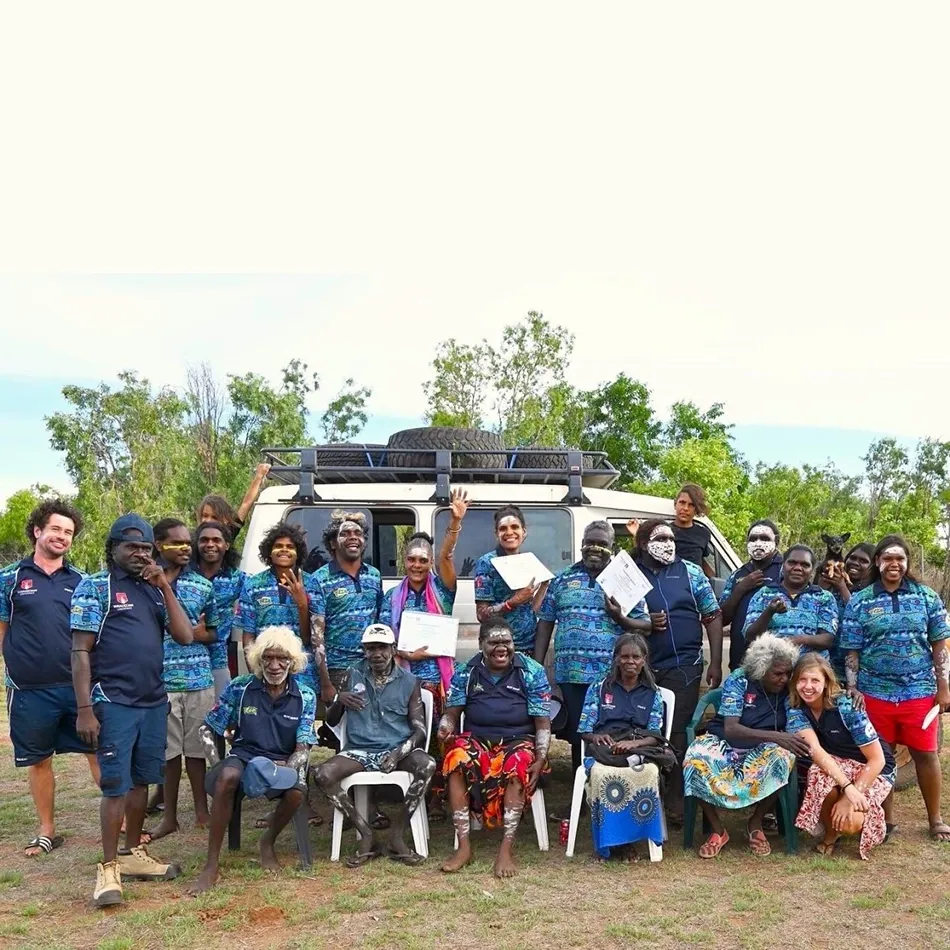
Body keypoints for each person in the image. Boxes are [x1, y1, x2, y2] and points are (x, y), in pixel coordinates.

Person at [70, 514, 195, 908]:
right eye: (132, 547)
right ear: (113, 549)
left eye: (145, 547)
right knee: (116, 786)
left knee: (143, 781)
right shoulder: (96, 587)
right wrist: (85, 709)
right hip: (113, 701)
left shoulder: (153, 588)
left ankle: (132, 854)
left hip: (153, 701)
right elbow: (79, 652)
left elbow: (185, 635)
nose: (141, 554)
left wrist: (164, 586)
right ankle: (108, 869)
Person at [0, 500, 99, 858]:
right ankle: (46, 830)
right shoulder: (9, 579)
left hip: (79, 689)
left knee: (97, 752)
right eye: (56, 529)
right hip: (29, 691)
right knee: (39, 759)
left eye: (69, 532)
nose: (62, 537)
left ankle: (119, 823)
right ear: (38, 531)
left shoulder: (84, 582)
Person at [187, 625, 316, 895]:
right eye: (268, 658)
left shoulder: (305, 694)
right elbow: (207, 728)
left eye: (282, 658)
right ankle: (211, 863)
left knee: (296, 793)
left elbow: (303, 745)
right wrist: (216, 763)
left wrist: (288, 769)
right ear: (258, 659)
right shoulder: (240, 687)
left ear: (293, 662)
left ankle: (267, 843)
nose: (275, 665)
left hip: (281, 761)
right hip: (244, 756)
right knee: (227, 778)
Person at [840, 535, 950, 843]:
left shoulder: (926, 597)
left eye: (900, 558)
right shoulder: (861, 601)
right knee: (882, 758)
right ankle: (885, 819)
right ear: (877, 562)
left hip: (919, 691)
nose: (894, 564)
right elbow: (852, 650)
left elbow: (940, 646)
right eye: (888, 558)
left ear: (907, 563)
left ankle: (935, 819)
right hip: (874, 692)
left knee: (926, 755)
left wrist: (944, 687)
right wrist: (853, 687)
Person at [310, 623, 435, 868]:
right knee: (322, 775)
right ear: (364, 651)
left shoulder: (410, 681)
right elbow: (333, 720)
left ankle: (397, 836)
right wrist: (339, 700)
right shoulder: (351, 674)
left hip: (397, 748)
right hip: (358, 750)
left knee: (427, 764)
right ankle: (366, 834)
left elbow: (420, 730)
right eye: (370, 648)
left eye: (382, 648)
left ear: (393, 649)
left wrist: (399, 753)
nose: (377, 654)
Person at [534, 521, 651, 773]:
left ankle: (610, 785)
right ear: (582, 545)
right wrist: (537, 665)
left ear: (613, 547)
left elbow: (646, 624)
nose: (595, 548)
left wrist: (620, 616)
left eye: (602, 544)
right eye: (590, 542)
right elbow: (545, 622)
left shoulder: (623, 579)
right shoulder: (563, 579)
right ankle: (583, 787)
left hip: (610, 675)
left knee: (609, 730)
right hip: (571, 674)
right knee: (580, 733)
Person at [439, 618, 552, 879]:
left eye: (507, 642)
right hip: (478, 740)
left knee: (519, 762)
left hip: (518, 740)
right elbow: (452, 713)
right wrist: (445, 727)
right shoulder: (467, 671)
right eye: (494, 642)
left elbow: (542, 723)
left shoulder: (531, 671)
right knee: (456, 758)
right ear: (481, 646)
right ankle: (464, 848)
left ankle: (506, 849)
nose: (501, 648)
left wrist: (541, 756)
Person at [380, 487, 470, 813]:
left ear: (430, 563)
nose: (417, 565)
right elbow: (383, 641)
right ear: (404, 561)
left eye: (423, 560)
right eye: (411, 559)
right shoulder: (391, 597)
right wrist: (404, 654)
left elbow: (447, 556)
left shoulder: (442, 590)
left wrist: (455, 523)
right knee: (409, 736)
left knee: (442, 738)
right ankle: (408, 792)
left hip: (438, 681)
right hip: (405, 679)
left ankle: (441, 798)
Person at [630, 519, 723, 823]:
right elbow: (615, 615)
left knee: (678, 732)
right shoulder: (630, 573)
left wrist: (717, 663)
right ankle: (643, 796)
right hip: (640, 668)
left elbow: (712, 616)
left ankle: (676, 802)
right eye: (661, 538)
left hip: (684, 667)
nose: (669, 543)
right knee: (643, 731)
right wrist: (643, 624)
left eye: (672, 538)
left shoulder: (691, 571)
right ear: (644, 543)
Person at [682, 634, 808, 857]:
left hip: (763, 748)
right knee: (694, 758)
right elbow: (731, 729)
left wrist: (784, 739)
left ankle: (756, 822)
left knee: (782, 758)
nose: (784, 678)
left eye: (788, 673)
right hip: (725, 740)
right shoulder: (740, 680)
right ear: (761, 669)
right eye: (778, 673)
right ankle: (718, 830)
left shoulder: (789, 688)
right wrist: (778, 737)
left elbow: (795, 726)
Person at [146, 518, 219, 842]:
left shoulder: (203, 586)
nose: (187, 548)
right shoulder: (144, 584)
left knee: (197, 751)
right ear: (159, 545)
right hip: (159, 680)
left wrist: (194, 633)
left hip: (198, 679)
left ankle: (202, 810)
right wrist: (187, 632)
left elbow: (214, 631)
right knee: (168, 754)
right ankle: (170, 816)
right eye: (178, 543)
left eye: (188, 543)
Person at [787, 653, 895, 859]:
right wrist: (846, 787)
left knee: (850, 824)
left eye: (815, 680)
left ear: (827, 682)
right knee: (818, 770)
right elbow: (816, 750)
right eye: (802, 679)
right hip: (835, 762)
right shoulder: (794, 706)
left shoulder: (847, 705)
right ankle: (830, 831)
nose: (807, 686)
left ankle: (848, 822)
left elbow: (878, 759)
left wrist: (849, 795)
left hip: (872, 764)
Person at [577, 633, 668, 861]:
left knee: (646, 773)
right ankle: (612, 844)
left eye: (635, 657)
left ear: (644, 659)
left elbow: (656, 735)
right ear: (616, 659)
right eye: (624, 656)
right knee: (601, 774)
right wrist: (597, 737)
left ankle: (628, 841)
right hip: (604, 750)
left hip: (637, 751)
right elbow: (584, 729)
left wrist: (632, 744)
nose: (630, 661)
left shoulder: (652, 693)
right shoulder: (599, 688)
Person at [235, 521, 322, 695]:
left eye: (290, 546)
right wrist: (255, 673)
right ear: (269, 551)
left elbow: (308, 638)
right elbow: (249, 635)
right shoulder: (253, 585)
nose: (284, 550)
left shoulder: (311, 583)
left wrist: (302, 603)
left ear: (298, 553)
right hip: (266, 667)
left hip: (301, 672)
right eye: (278, 546)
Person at [312, 510, 383, 698]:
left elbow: (377, 623)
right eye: (345, 534)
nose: (353, 537)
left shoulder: (374, 575)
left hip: (370, 667)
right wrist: (326, 683)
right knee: (338, 726)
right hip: (336, 669)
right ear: (333, 543)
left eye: (358, 533)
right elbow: (316, 634)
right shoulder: (319, 579)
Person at [473, 505, 548, 654]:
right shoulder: (487, 563)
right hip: (500, 648)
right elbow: (481, 615)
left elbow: (530, 610)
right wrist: (513, 602)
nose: (509, 533)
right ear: (496, 534)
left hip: (529, 646)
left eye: (515, 527)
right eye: (503, 529)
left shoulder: (528, 561)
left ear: (524, 531)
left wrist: (544, 585)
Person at [742, 545, 837, 660]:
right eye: (792, 563)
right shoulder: (763, 595)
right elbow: (750, 636)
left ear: (812, 570)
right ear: (783, 565)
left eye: (805, 565)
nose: (797, 568)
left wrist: (799, 640)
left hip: (810, 669)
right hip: (770, 666)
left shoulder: (824, 597)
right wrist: (769, 611)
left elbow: (828, 639)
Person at [719, 520, 784, 670]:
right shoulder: (737, 575)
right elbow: (723, 618)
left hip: (774, 660)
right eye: (753, 539)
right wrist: (741, 588)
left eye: (765, 538)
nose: (758, 543)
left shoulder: (786, 571)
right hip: (741, 658)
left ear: (777, 541)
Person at [194, 520, 246, 699]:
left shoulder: (237, 579)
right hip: (184, 661)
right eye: (204, 540)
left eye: (216, 540)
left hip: (218, 659)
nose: (210, 544)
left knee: (219, 716)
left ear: (227, 545)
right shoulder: (184, 575)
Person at [817, 541, 874, 682]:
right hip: (826, 660)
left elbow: (862, 617)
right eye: (852, 558)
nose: (855, 563)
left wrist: (842, 587)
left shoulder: (872, 593)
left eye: (863, 561)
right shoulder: (832, 579)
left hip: (856, 666)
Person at [195, 461, 271, 539]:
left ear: (225, 520)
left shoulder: (228, 534)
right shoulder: (192, 540)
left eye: (214, 517)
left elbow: (246, 503)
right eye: (205, 516)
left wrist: (259, 477)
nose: (208, 521)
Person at [670, 484, 715, 578]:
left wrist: (716, 581)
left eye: (691, 505)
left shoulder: (703, 533)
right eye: (682, 502)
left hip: (694, 588)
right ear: (675, 504)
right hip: (670, 585)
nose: (685, 508)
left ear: (696, 509)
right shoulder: (665, 532)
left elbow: (700, 560)